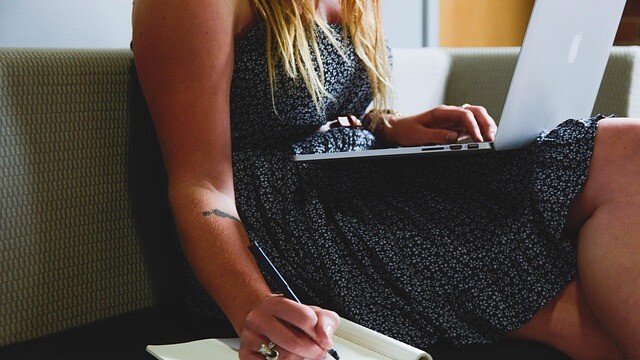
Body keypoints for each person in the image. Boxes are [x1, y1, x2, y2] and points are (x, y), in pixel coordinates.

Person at [131, 1, 640, 359]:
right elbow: (201, 185)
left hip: (355, 184)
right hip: (281, 226)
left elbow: (317, 111)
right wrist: (253, 307)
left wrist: (391, 128)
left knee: (627, 154)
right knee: (588, 271)